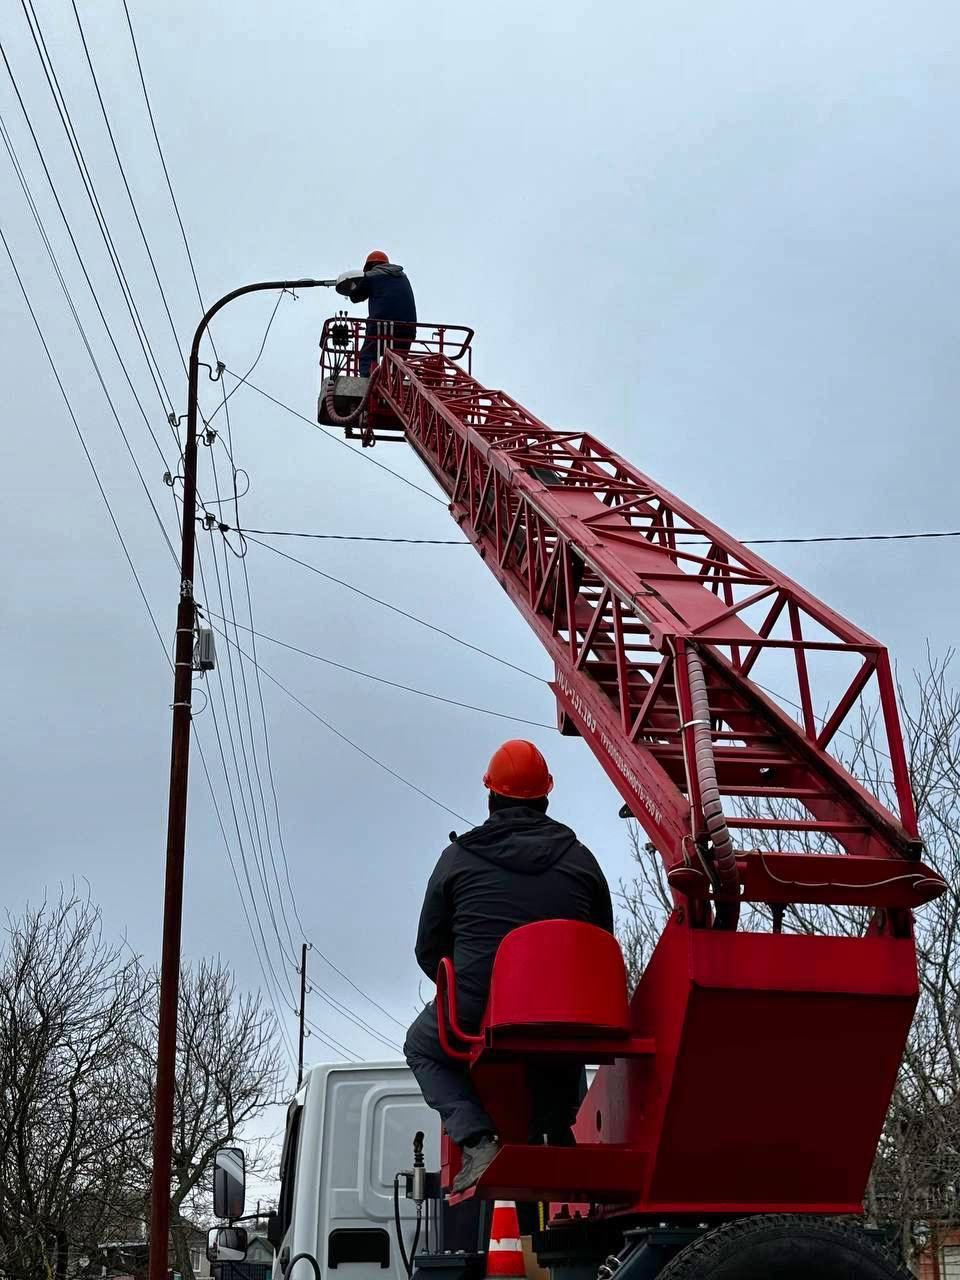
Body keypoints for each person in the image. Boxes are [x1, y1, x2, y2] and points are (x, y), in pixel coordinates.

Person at [403, 739, 614, 1194]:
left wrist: (467, 989)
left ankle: (478, 1140)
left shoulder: (458, 860)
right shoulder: (581, 859)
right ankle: (558, 1128)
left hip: (481, 1006)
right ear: (545, 798)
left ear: (490, 797)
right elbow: (601, 939)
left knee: (421, 1045)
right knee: (562, 1027)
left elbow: (428, 950)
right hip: (568, 1006)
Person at [337, 250, 417, 376]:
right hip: (408, 329)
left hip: (381, 326)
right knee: (398, 362)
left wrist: (353, 286)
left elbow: (355, 297)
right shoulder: (403, 277)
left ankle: (368, 379)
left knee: (367, 356)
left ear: (369, 267)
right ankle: (396, 380)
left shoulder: (370, 276)